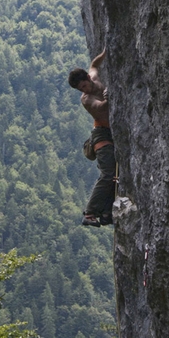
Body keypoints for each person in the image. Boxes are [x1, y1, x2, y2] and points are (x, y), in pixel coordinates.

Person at [68, 49, 116, 227]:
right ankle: (90, 213)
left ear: (88, 78)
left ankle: (105, 212)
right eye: (80, 89)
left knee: (115, 175)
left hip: (110, 131)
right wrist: (108, 99)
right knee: (109, 173)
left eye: (83, 86)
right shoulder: (86, 100)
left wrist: (105, 51)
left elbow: (94, 64)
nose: (84, 90)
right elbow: (100, 108)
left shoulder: (94, 76)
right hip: (101, 135)